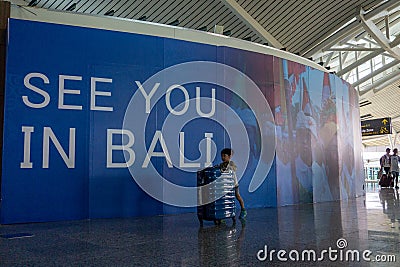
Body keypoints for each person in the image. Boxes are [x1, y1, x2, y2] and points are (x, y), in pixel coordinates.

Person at [219, 148, 247, 219]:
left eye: (224, 156)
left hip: (234, 185)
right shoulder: (221, 165)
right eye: (222, 156)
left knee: (237, 196)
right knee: (225, 199)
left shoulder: (231, 164)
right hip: (226, 185)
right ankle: (223, 215)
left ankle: (243, 210)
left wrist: (225, 169)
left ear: (229, 156)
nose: (223, 158)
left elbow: (233, 169)